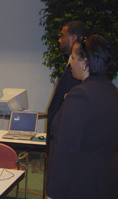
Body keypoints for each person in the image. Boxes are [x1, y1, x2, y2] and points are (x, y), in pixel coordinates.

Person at [46, 35, 118, 199]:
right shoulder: (112, 92)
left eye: (72, 57)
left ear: (85, 62)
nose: (70, 62)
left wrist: (53, 193)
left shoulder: (80, 95)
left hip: (79, 184)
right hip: (106, 182)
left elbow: (67, 150)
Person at [46, 21, 88, 154]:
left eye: (62, 36)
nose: (59, 40)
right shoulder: (70, 67)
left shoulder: (78, 74)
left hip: (64, 146)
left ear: (73, 38)